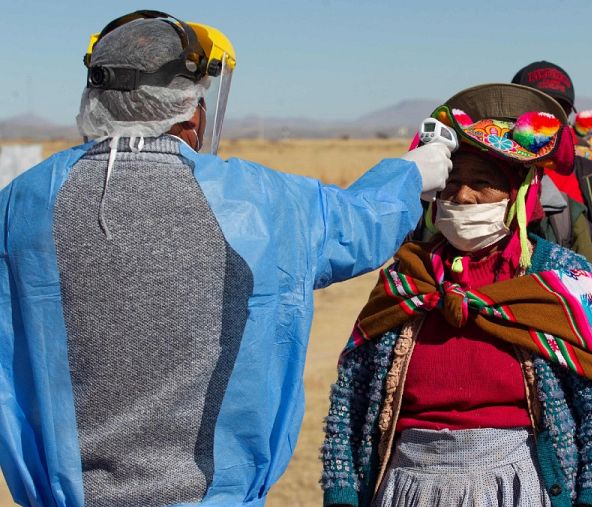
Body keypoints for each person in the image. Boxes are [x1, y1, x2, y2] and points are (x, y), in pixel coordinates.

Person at [0, 12, 453, 507]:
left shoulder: (23, 202)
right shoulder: (259, 200)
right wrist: (411, 173)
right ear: (192, 112)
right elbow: (358, 224)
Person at [320, 83, 592, 507]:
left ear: (518, 194)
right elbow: (350, 401)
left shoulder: (563, 281)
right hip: (406, 489)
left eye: (482, 183)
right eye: (452, 182)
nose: (462, 196)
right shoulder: (408, 278)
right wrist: (342, 493)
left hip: (518, 488)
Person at [512, 61, 592, 318]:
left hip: (583, 325)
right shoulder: (492, 173)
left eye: (557, 109)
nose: (546, 119)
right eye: (537, 107)